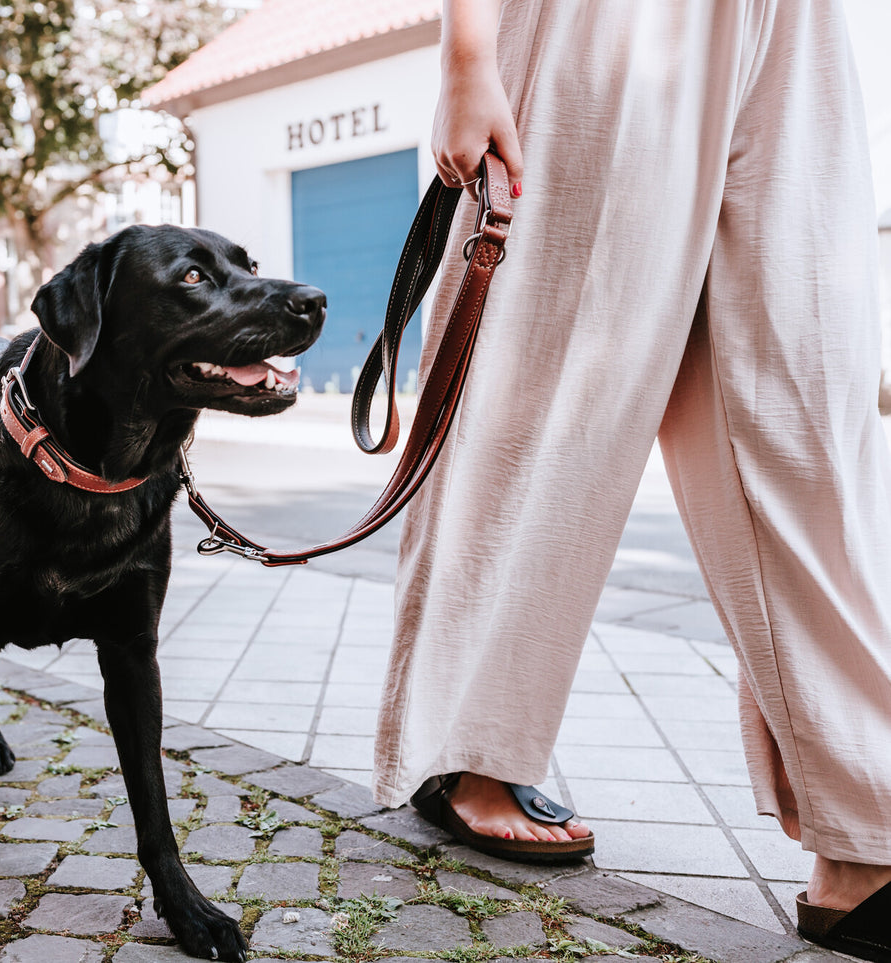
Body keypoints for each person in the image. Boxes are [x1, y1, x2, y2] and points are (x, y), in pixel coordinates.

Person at [373, 0, 891, 958]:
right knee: (543, 380)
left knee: (803, 411)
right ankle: (470, 748)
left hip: (795, 29)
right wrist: (466, 53)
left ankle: (865, 827)